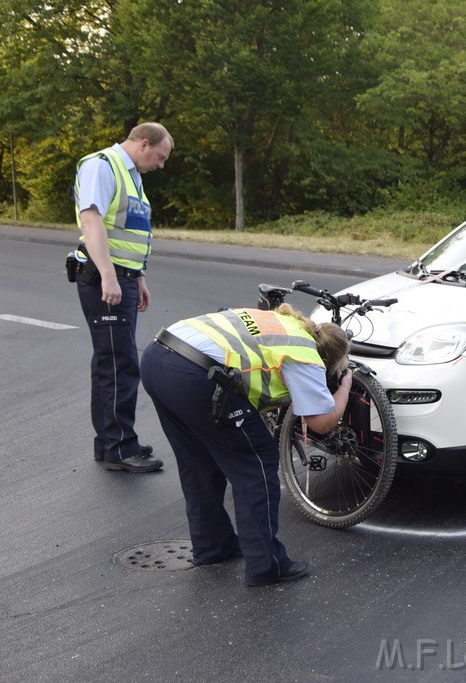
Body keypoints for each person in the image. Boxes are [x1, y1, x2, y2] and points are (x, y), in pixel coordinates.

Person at [140, 304, 352, 587]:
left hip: (157, 358)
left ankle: (214, 546)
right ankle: (267, 564)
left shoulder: (282, 321)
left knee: (199, 460)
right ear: (327, 358)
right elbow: (321, 423)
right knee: (257, 461)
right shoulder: (304, 354)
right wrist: (345, 386)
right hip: (195, 376)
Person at [71, 122, 173, 473]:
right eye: (160, 157)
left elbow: (127, 232)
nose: (160, 165)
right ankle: (119, 447)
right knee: (120, 363)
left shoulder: (131, 176)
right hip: (106, 277)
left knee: (111, 361)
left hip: (123, 278)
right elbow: (91, 220)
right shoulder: (102, 165)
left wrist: (138, 278)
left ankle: (110, 442)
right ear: (144, 144)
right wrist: (110, 277)